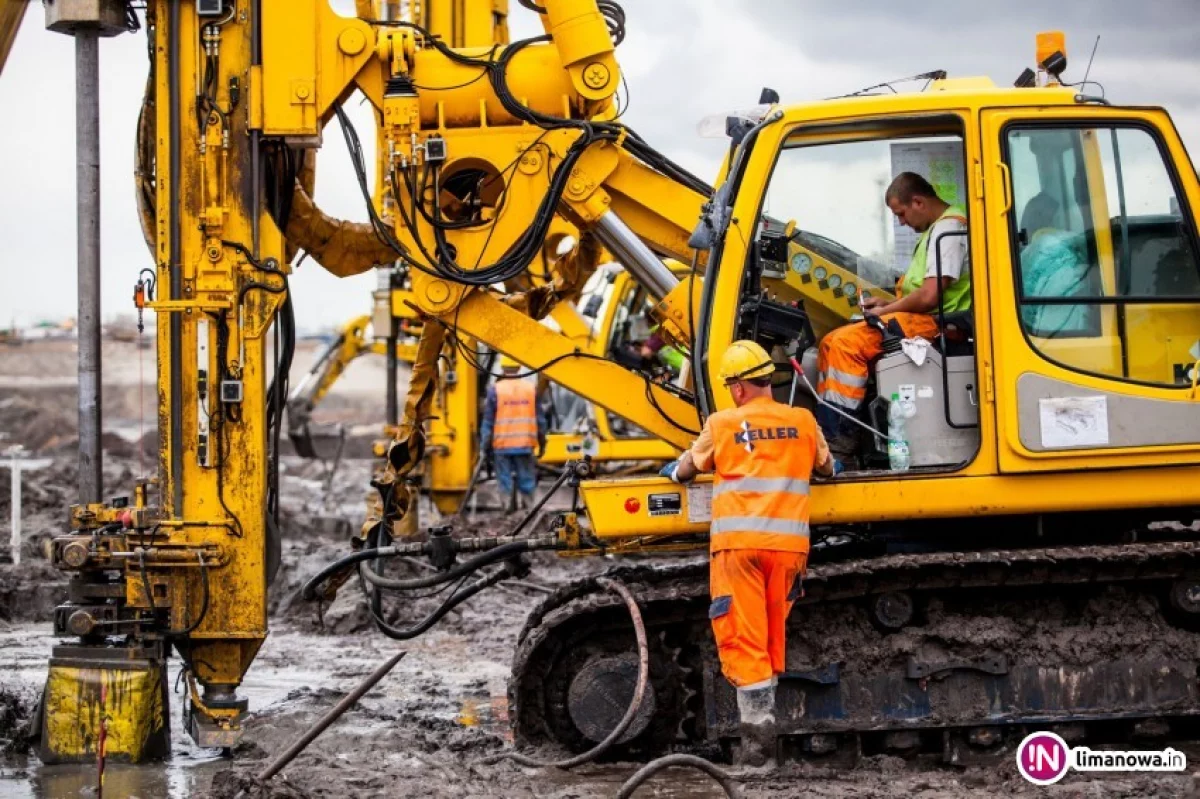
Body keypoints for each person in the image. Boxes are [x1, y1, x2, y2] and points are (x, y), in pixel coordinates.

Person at [659, 340, 834, 766]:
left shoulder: (722, 425)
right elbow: (827, 468)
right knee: (773, 639)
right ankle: (768, 738)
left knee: (746, 641)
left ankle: (759, 756)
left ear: (737, 387)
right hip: (789, 550)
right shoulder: (803, 420)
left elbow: (687, 469)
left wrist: (674, 470)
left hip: (740, 550)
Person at [815, 172, 971, 452]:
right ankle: (832, 432)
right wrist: (886, 306)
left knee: (844, 345)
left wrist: (886, 309)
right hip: (922, 319)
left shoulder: (949, 232)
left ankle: (839, 440)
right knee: (830, 341)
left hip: (938, 325)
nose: (901, 222)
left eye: (901, 213)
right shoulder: (937, 230)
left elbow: (928, 296)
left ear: (919, 202)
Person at [479, 354, 543, 511]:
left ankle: (507, 510)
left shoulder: (496, 390)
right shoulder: (530, 389)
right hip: (525, 444)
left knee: (504, 479)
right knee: (527, 479)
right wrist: (543, 442)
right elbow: (540, 420)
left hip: (502, 445)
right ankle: (529, 510)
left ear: (502, 367)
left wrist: (485, 446)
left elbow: (488, 422)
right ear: (519, 367)